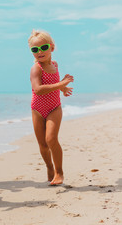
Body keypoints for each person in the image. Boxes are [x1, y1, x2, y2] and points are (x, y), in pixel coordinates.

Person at [28, 29, 74, 185]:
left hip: (54, 107)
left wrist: (63, 88)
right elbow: (38, 89)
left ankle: (59, 172)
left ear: (52, 48)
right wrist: (62, 84)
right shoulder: (36, 68)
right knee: (42, 144)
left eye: (43, 47)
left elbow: (52, 82)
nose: (40, 52)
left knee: (51, 139)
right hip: (37, 109)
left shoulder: (54, 64)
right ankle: (49, 167)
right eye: (35, 49)